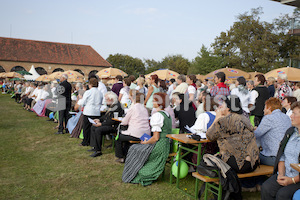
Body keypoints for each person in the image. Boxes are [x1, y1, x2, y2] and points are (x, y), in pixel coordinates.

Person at [122, 92, 172, 186]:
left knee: (134, 148)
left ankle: (134, 171)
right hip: (166, 144)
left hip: (159, 145)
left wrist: (146, 142)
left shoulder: (157, 115)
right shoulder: (167, 114)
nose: (152, 102)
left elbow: (156, 138)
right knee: (136, 147)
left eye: (154, 100)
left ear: (159, 103)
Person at [206, 95, 259, 174]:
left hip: (240, 165)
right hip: (254, 162)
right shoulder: (244, 118)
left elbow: (209, 136)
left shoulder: (224, 121)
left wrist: (217, 118)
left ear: (228, 108)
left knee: (211, 159)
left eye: (222, 105)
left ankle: (218, 185)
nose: (220, 107)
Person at [261, 101, 300, 200]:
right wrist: (281, 174)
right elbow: (282, 155)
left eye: (294, 113)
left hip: (297, 178)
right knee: (266, 188)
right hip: (286, 173)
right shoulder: (291, 132)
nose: (290, 116)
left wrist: (292, 180)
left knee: (282, 195)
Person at [254, 97, 291, 166]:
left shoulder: (268, 118)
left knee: (252, 157)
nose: (263, 110)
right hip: (287, 156)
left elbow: (256, 135)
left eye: (265, 107)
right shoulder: (286, 117)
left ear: (269, 108)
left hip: (274, 158)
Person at [115, 92, 150, 162]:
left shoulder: (133, 108)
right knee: (127, 139)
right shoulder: (145, 109)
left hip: (137, 134)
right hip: (146, 134)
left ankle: (120, 156)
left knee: (119, 138)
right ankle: (128, 155)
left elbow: (124, 122)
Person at [89, 91, 124, 157]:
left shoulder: (117, 107)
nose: (105, 101)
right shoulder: (111, 105)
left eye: (106, 99)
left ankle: (98, 150)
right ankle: (95, 147)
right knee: (93, 127)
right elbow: (106, 116)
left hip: (114, 126)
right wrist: (99, 119)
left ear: (111, 99)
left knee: (98, 129)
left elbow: (113, 121)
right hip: (109, 124)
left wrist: (101, 124)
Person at [76, 77, 102, 145]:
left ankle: (85, 142)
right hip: (96, 112)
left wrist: (80, 100)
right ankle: (92, 141)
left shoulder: (88, 92)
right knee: (93, 128)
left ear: (90, 84)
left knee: (86, 128)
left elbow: (83, 102)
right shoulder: (100, 92)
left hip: (88, 111)